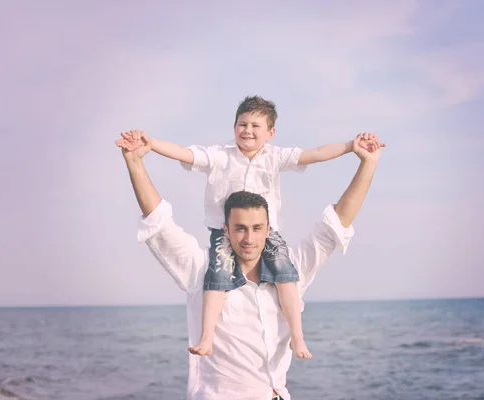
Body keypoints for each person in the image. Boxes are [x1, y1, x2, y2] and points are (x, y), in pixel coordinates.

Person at [118, 130, 384, 400]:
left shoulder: (290, 270)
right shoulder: (201, 269)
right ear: (226, 230)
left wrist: (368, 163)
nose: (249, 238)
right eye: (240, 229)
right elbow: (160, 224)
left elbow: (336, 224)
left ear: (268, 229)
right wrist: (135, 162)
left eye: (257, 228)